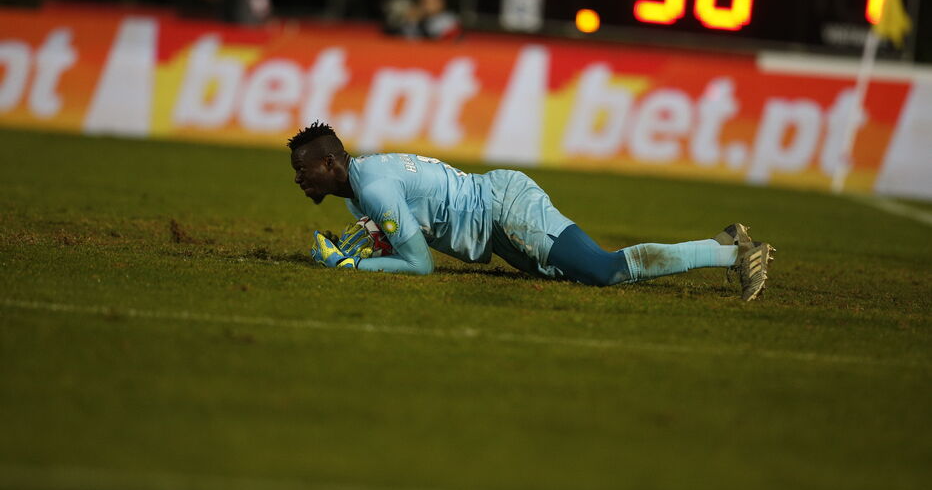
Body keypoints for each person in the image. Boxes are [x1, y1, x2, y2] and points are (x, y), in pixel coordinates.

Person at [288, 122, 774, 300]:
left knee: (604, 271)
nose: (298, 178)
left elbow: (419, 264)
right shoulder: (361, 185)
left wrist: (354, 266)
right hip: (496, 221)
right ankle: (726, 244)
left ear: (329, 163)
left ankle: (734, 254)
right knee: (578, 279)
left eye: (303, 168)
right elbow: (400, 233)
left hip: (505, 211)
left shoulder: (371, 187)